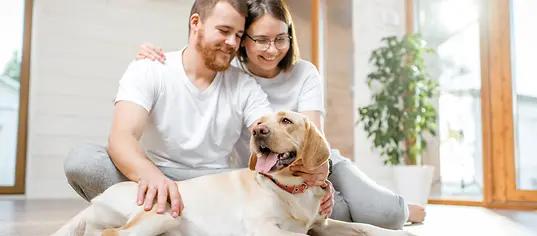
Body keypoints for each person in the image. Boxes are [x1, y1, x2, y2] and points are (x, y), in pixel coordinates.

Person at [133, 0, 425, 230]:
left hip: (316, 159)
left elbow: (313, 138)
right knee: (327, 215)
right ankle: (355, 206)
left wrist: (320, 178)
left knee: (384, 214)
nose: (272, 50)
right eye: (261, 39)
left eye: (281, 39)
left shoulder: (304, 73)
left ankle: (401, 207)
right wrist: (153, 54)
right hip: (269, 172)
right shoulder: (232, 75)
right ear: (244, 40)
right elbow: (198, 52)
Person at [63, 0, 334, 222]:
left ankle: (173, 218)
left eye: (238, 35)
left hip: (215, 184)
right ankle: (175, 214)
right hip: (158, 173)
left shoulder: (243, 84)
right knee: (83, 161)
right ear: (196, 23)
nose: (232, 42)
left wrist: (312, 175)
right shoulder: (151, 68)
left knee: (318, 210)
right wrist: (156, 180)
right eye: (224, 31)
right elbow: (121, 138)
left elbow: (268, 132)